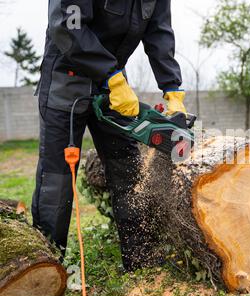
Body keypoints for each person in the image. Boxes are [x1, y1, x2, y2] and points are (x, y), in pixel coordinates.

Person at [32, 0, 186, 270]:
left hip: (113, 83)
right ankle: (44, 268)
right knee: (57, 179)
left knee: (128, 167)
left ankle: (142, 261)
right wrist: (112, 75)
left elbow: (159, 32)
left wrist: (172, 87)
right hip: (66, 77)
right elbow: (68, 26)